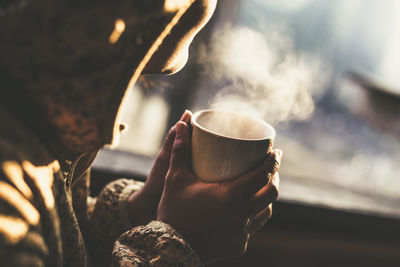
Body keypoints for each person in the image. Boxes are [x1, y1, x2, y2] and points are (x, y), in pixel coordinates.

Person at [0, 0, 281, 266]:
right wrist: (178, 246)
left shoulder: (53, 111)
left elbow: (62, 235)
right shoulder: (8, 184)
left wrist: (138, 211)